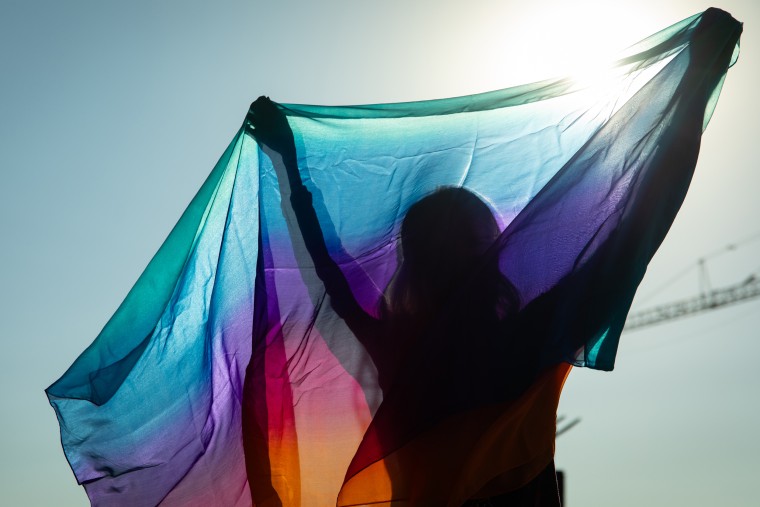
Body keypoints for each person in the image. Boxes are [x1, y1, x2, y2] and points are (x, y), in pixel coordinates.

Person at [245, 8, 740, 505]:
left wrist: (288, 160)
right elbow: (633, 230)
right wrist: (695, 83)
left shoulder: (401, 346)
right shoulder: (531, 334)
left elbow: (328, 262)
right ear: (494, 250)